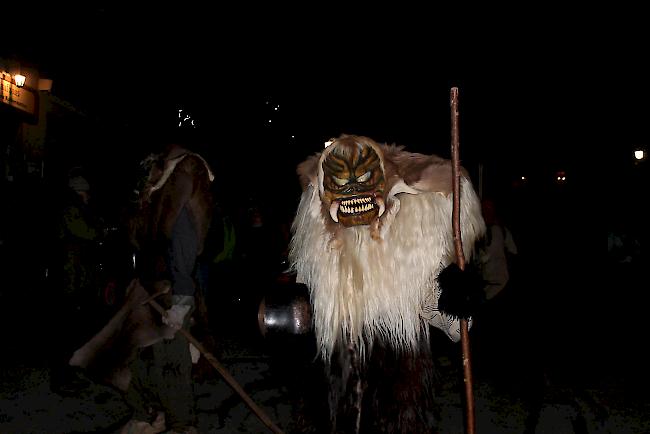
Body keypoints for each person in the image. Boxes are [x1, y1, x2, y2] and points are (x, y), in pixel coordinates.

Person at [120, 110, 214, 434]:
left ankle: (181, 425)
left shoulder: (185, 172)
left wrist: (183, 297)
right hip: (149, 285)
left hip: (172, 286)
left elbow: (185, 238)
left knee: (172, 361)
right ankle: (148, 415)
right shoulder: (157, 176)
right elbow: (140, 239)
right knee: (138, 352)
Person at [49, 172, 104, 395]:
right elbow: (86, 233)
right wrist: (100, 230)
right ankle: (63, 379)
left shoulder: (72, 210)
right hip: (68, 280)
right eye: (85, 194)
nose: (88, 198)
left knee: (72, 331)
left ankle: (70, 373)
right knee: (66, 332)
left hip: (73, 279)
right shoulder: (71, 211)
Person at [477, 197, 518, 301]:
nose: (487, 210)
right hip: (481, 285)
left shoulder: (502, 230)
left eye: (490, 207)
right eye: (485, 207)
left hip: (502, 284)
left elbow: (513, 252)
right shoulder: (476, 232)